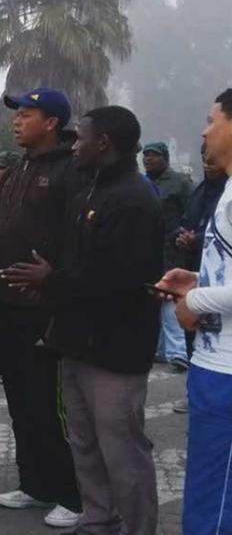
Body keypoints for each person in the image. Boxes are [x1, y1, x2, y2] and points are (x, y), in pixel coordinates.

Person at [3, 105, 162, 535]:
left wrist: (52, 280)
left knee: (122, 453)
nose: (75, 145)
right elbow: (76, 262)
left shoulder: (134, 198)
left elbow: (120, 280)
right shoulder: (90, 189)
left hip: (115, 349)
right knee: (86, 446)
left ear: (104, 143)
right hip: (77, 342)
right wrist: (50, 285)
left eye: (82, 137)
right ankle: (98, 520)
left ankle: (136, 527)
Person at [0, 88, 83, 528]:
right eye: (17, 114)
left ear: (52, 123)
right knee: (21, 401)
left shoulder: (71, 172)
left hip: (46, 310)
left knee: (50, 404)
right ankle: (35, 483)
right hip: (8, 307)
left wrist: (57, 288)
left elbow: (77, 243)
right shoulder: (18, 170)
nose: (17, 121)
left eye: (27, 114)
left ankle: (72, 494)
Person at [156, 88, 232, 534]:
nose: (204, 130)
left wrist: (194, 302)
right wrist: (197, 283)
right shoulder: (223, 190)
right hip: (214, 366)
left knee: (214, 505)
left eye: (211, 119)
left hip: (226, 374)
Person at [174, 141, 227, 363]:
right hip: (196, 270)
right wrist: (182, 237)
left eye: (212, 155)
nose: (207, 161)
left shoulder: (227, 194)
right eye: (203, 155)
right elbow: (185, 220)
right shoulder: (199, 191)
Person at [143, 141, 193, 369]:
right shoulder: (143, 183)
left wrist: (184, 234)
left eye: (153, 155)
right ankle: (160, 350)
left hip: (171, 249)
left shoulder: (179, 182)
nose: (148, 159)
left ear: (165, 158)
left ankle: (178, 351)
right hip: (149, 249)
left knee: (170, 298)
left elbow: (190, 211)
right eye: (146, 155)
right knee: (153, 298)